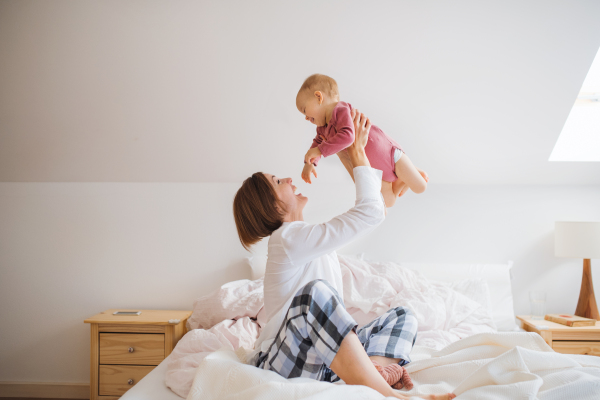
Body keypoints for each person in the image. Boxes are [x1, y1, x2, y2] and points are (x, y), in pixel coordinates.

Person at [233, 110, 454, 400]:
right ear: (271, 207)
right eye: (277, 182)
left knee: (402, 315)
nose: (287, 178)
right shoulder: (286, 240)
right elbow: (369, 214)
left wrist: (350, 153)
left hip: (321, 361)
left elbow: (375, 212)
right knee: (315, 294)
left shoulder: (305, 239)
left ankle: (375, 370)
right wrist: (359, 153)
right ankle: (390, 394)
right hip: (283, 361)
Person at [296, 73, 428, 208]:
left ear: (319, 97)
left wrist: (319, 150)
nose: (306, 117)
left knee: (420, 187)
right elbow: (317, 144)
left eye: (304, 110)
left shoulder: (340, 110)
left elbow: (347, 136)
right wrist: (310, 163)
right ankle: (401, 180)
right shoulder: (322, 129)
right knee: (387, 203)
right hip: (378, 170)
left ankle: (410, 169)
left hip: (390, 156)